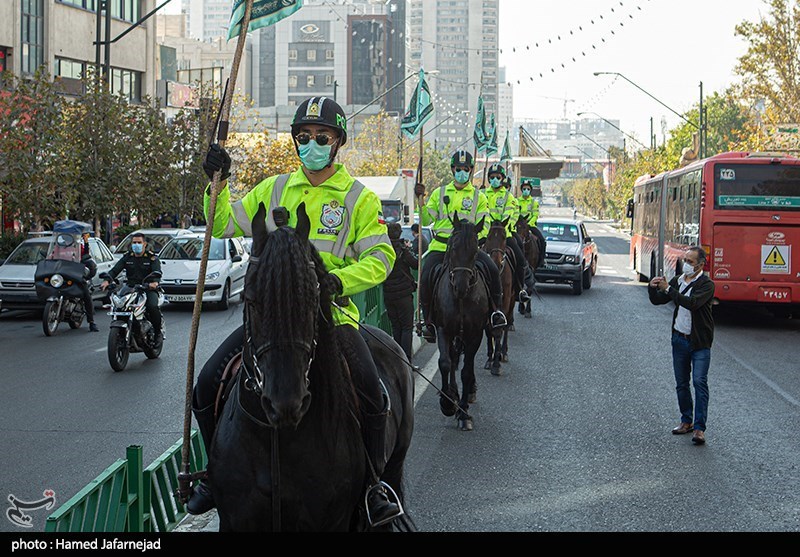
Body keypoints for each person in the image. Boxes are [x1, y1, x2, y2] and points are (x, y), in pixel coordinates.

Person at [189, 96, 401, 526]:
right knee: (207, 381)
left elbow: (382, 257)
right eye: (303, 138)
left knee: (374, 394)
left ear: (337, 142)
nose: (311, 145)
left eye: (320, 137)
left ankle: (375, 485)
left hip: (331, 319)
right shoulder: (275, 188)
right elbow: (222, 222)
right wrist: (218, 181)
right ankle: (214, 475)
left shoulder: (358, 198)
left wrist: (340, 281)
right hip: (269, 321)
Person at [416, 149, 507, 344]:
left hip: (468, 250)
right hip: (440, 247)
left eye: (466, 169)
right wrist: (420, 201)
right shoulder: (439, 193)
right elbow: (425, 219)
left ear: (471, 171)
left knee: (492, 269)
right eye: (459, 169)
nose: (462, 172)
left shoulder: (478, 197)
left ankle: (496, 314)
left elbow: (486, 224)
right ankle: (428, 321)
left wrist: (474, 240)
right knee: (424, 277)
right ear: (452, 170)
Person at [648, 247, 715, 445]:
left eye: (691, 261)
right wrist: (653, 287)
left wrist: (668, 289)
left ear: (701, 265)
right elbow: (659, 300)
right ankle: (686, 421)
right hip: (679, 339)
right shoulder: (679, 279)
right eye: (685, 259)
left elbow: (692, 303)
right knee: (681, 383)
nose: (686, 263)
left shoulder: (707, 285)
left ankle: (699, 428)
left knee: (699, 382)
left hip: (700, 342)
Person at [483, 164, 534, 303]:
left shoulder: (509, 197)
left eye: (497, 177)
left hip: (505, 233)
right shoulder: (481, 195)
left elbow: (511, 214)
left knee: (520, 257)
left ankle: (520, 289)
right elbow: (481, 213)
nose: (494, 180)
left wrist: (501, 227)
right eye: (492, 177)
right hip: (485, 234)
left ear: (502, 179)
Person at [100, 233, 162, 340]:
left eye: (139, 243)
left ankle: (157, 333)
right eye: (134, 243)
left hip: (147, 288)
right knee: (119, 306)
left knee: (152, 306)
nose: (136, 245)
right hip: (130, 287)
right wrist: (107, 280)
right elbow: (115, 270)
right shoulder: (127, 257)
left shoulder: (152, 258)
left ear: (145, 244)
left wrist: (154, 283)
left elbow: (157, 272)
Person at [383, 222, 417, 361]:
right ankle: (406, 360)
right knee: (407, 327)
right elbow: (415, 265)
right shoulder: (403, 250)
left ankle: (397, 358)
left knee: (396, 327)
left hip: (388, 293)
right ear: (400, 233)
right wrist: (409, 249)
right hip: (403, 294)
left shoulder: (383, 250)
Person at [516, 182, 546, 268]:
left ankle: (542, 260)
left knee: (542, 240)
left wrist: (528, 224)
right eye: (524, 189)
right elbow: (515, 213)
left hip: (530, 225)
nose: (526, 191)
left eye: (528, 189)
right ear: (521, 190)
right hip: (519, 225)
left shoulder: (534, 202)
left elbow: (535, 215)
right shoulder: (517, 201)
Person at [79, 233, 99, 332]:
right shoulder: (59, 248)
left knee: (86, 296)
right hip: (64, 275)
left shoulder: (79, 247)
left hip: (77, 274)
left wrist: (86, 241)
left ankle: (91, 322)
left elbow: (86, 254)